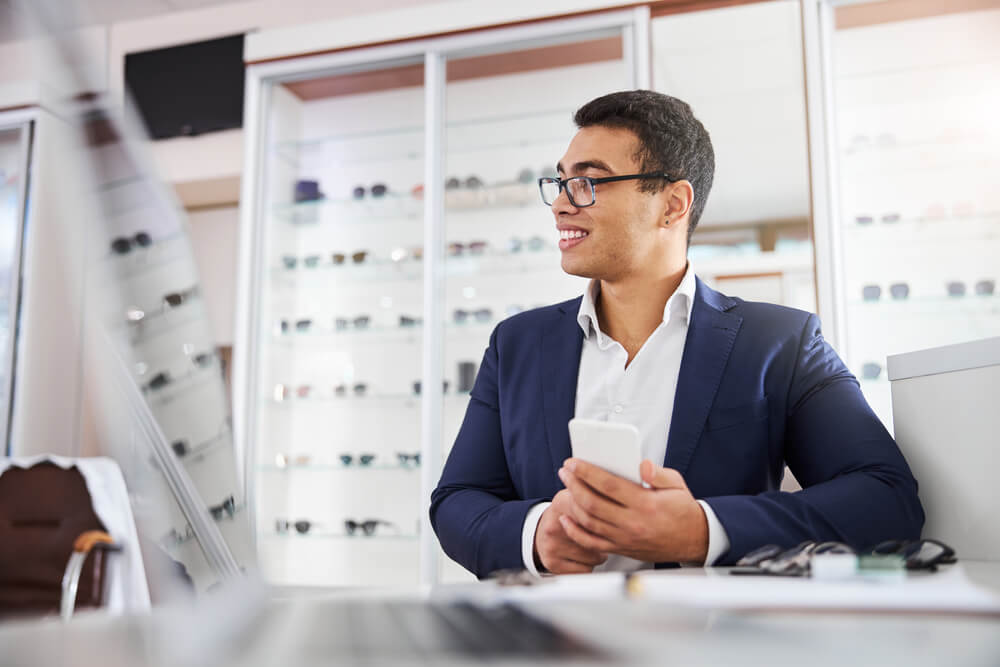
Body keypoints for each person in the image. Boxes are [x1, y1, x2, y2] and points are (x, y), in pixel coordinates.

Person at [430, 90, 924, 578]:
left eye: (587, 182)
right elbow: (457, 500)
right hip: (547, 645)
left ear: (672, 203)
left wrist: (701, 530)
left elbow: (885, 496)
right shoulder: (516, 344)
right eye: (560, 183)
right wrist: (535, 534)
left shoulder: (779, 342)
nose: (560, 204)